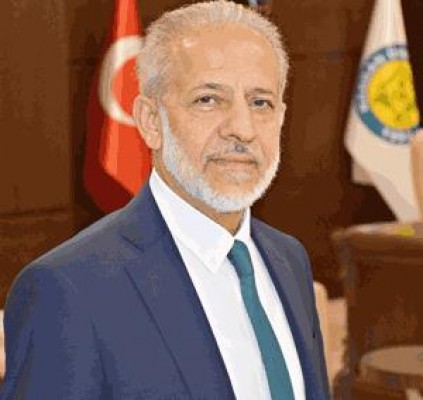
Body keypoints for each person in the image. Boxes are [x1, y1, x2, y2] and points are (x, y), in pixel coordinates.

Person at [1, 1, 330, 398]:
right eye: (208, 100)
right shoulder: (69, 290)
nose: (242, 129)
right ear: (151, 121)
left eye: (261, 102)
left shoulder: (289, 259)